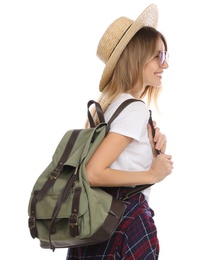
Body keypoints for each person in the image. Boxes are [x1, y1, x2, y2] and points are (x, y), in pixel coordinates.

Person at [66, 3, 173, 260]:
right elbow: (93, 172)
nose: (165, 65)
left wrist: (150, 147)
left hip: (94, 225)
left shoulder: (105, 106)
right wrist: (152, 173)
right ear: (137, 57)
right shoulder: (134, 109)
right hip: (124, 224)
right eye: (158, 56)